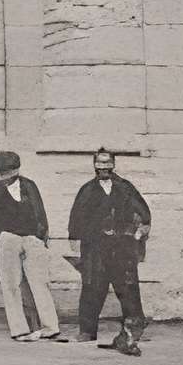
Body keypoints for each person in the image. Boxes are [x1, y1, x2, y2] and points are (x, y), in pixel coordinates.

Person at [68, 147, 152, 350]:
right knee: (91, 288)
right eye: (100, 163)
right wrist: (75, 243)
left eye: (107, 163)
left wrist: (139, 232)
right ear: (94, 165)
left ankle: (133, 329)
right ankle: (87, 331)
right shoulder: (87, 190)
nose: (103, 167)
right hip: (95, 249)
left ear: (113, 164)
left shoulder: (125, 187)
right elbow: (76, 219)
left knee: (128, 288)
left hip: (122, 248)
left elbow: (143, 212)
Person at [0, 149, 65, 342]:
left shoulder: (30, 186)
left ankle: (50, 327)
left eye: (10, 170)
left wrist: (41, 238)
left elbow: (40, 213)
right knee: (11, 285)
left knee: (40, 283)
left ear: (17, 169)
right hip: (7, 239)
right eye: (3, 171)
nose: (7, 175)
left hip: (32, 239)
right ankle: (19, 329)